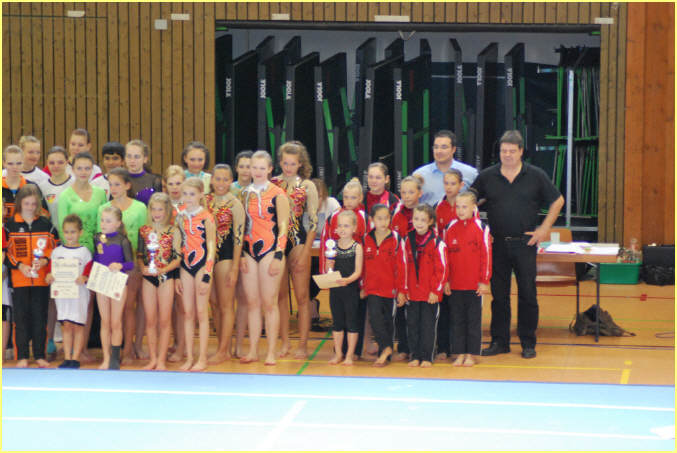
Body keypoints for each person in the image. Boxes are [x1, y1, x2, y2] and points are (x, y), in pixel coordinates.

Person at [471, 130, 564, 359]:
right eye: (504, 151)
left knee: (528, 294)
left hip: (525, 243)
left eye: (512, 151)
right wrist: (480, 232)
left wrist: (544, 229)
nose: (507, 155)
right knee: (499, 296)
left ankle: (528, 342)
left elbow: (558, 200)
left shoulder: (536, 175)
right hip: (497, 245)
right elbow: (469, 200)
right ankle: (499, 342)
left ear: (521, 151)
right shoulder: (487, 176)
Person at [239, 150, 290, 366]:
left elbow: (284, 226)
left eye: (262, 168)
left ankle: (271, 351)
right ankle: (252, 350)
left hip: (270, 250)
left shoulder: (278, 194)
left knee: (269, 303)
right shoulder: (244, 194)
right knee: (252, 303)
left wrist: (279, 255)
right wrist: (240, 254)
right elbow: (240, 228)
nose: (258, 171)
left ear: (270, 169)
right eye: (254, 167)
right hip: (249, 251)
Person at [56, 151, 107, 363]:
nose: (83, 172)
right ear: (73, 169)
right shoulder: (65, 196)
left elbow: (102, 224)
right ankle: (72, 350)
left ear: (93, 169)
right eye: (79, 168)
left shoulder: (100, 194)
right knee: (73, 300)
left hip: (94, 254)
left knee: (89, 301)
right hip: (72, 255)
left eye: (87, 168)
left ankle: (83, 348)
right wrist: (71, 253)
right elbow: (63, 228)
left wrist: (101, 251)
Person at [271, 141, 319, 359]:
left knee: (302, 296)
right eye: (285, 163)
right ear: (280, 162)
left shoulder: (307, 186)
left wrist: (307, 250)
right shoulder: (273, 184)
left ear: (300, 163)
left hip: (298, 240)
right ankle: (285, 342)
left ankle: (303, 344)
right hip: (278, 243)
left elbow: (313, 221)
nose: (289, 167)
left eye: (293, 163)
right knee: (281, 296)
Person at [4, 184, 59, 368]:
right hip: (18, 280)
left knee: (40, 317)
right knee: (20, 319)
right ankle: (22, 356)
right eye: (26, 204)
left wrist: (45, 260)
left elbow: (56, 247)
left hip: (41, 280)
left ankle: (39, 355)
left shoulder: (46, 225)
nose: (30, 207)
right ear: (20, 203)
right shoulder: (9, 226)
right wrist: (19, 266)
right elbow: (5, 253)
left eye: (34, 204)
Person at [98, 168, 149, 363]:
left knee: (127, 309)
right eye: (110, 184)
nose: (113, 188)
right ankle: (111, 355)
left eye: (117, 184)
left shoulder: (139, 208)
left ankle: (127, 350)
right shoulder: (103, 209)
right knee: (108, 318)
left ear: (127, 185)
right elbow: (99, 244)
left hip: (129, 266)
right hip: (106, 272)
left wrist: (138, 262)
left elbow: (143, 236)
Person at [443, 191, 492, 367]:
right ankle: (460, 353)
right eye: (458, 207)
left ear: (473, 207)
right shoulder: (450, 228)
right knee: (457, 320)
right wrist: (445, 280)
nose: (461, 210)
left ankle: (471, 353)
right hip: (455, 284)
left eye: (465, 207)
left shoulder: (482, 228)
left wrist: (484, 281)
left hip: (474, 285)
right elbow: (445, 257)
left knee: (473, 320)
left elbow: (486, 255)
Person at [396, 204, 447, 368]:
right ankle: (415, 355)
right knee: (412, 325)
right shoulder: (406, 240)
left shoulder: (437, 243)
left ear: (430, 221)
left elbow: (442, 269)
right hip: (411, 293)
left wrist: (436, 291)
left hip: (429, 294)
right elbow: (402, 267)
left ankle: (427, 356)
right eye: (416, 219)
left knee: (428, 326)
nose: (419, 223)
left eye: (423, 220)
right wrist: (403, 290)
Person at [175, 177, 216, 371]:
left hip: (202, 266)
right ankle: (190, 357)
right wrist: (176, 275)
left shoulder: (207, 217)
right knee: (188, 313)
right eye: (185, 194)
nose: (188, 198)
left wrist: (207, 274)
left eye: (192, 194)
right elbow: (177, 248)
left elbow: (211, 247)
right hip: (185, 267)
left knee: (201, 312)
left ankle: (202, 358)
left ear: (201, 195)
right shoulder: (180, 217)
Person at [204, 164, 244, 364]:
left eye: (225, 179)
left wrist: (235, 267)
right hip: (208, 257)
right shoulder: (205, 201)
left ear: (231, 181)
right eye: (217, 179)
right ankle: (223, 346)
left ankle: (223, 350)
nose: (221, 183)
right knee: (214, 304)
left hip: (226, 256)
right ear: (211, 180)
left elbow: (238, 238)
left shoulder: (235, 203)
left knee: (226, 305)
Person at [137, 193, 182, 371]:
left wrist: (164, 270)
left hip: (166, 277)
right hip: (149, 277)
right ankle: (153, 359)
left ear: (167, 211)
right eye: (153, 209)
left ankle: (162, 360)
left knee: (164, 320)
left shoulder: (173, 231)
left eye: (160, 210)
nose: (156, 213)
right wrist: (142, 267)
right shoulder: (144, 231)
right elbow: (140, 254)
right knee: (150, 320)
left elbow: (177, 258)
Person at [45, 214, 93, 369]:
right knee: (66, 325)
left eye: (73, 232)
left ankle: (76, 358)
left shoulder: (84, 252)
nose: (70, 235)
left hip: (79, 294)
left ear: (80, 232)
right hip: (63, 294)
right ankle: (67, 358)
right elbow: (50, 270)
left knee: (78, 325)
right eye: (66, 232)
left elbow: (89, 271)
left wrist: (84, 277)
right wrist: (49, 276)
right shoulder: (56, 252)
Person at [94, 206, 135, 370]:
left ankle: (115, 359)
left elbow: (130, 263)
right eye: (102, 220)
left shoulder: (123, 240)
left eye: (108, 221)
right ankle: (106, 357)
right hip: (102, 282)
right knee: (105, 322)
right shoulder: (97, 238)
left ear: (118, 223)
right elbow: (96, 258)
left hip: (118, 282)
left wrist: (120, 265)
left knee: (116, 322)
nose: (104, 223)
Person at [361, 204, 401, 367]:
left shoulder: (396, 238)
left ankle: (385, 353)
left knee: (388, 321)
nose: (383, 222)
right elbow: (363, 265)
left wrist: (401, 289)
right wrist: (363, 286)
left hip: (390, 289)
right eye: (379, 218)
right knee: (375, 318)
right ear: (372, 219)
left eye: (386, 218)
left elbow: (401, 266)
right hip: (372, 288)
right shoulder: (366, 238)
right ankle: (385, 348)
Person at [390, 174, 424, 361]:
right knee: (401, 310)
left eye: (411, 192)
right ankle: (403, 346)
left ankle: (421, 348)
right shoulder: (396, 213)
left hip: (420, 270)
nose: (407, 196)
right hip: (401, 270)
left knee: (419, 311)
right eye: (403, 192)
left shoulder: (425, 213)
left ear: (420, 193)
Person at [326, 210, 364, 366]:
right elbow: (329, 270)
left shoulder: (357, 247)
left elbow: (358, 271)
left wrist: (347, 280)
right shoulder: (332, 247)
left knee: (351, 323)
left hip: (350, 290)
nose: (342, 229)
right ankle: (338, 353)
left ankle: (349, 354)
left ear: (354, 228)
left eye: (346, 226)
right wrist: (329, 266)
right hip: (335, 291)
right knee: (337, 323)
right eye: (340, 225)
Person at [305, 178, 340, 329]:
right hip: (308, 250)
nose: (315, 200)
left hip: (328, 251)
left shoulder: (332, 204)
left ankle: (312, 304)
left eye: (318, 196)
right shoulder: (301, 207)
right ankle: (310, 304)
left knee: (321, 269)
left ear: (324, 196)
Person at [413, 130, 478, 206]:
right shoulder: (420, 174)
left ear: (453, 149)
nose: (439, 151)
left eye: (444, 147)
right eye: (436, 147)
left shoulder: (470, 173)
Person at [162, 164, 186, 362]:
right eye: (171, 184)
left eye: (178, 183)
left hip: (186, 260)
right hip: (166, 260)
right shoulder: (163, 206)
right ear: (165, 185)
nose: (175, 187)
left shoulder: (190, 205)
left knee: (183, 307)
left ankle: (182, 347)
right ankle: (175, 342)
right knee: (169, 307)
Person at [3, 145, 49, 222]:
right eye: (10, 163)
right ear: (4, 163)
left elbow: (45, 215)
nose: (15, 167)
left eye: (18, 163)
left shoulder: (32, 188)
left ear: (23, 163)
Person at [125, 139, 162, 205]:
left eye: (137, 157)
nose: (132, 160)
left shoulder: (154, 181)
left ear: (145, 159)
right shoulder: (120, 179)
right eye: (129, 156)